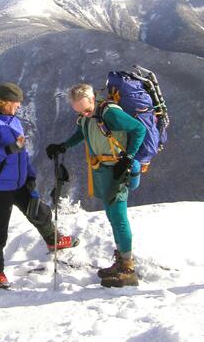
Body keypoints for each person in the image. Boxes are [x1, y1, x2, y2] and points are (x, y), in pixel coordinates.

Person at [0, 82, 77, 289]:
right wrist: (8, 149)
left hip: (19, 182)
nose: (19, 106)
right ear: (2, 102)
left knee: (39, 211)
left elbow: (21, 153)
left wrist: (30, 176)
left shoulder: (14, 121)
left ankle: (53, 240)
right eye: (15, 103)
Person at [46, 83, 146, 288]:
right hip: (103, 170)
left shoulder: (110, 114)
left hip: (118, 169)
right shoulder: (87, 117)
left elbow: (139, 129)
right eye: (79, 111)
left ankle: (128, 269)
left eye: (86, 109)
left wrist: (127, 158)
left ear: (93, 99)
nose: (84, 113)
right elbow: (82, 132)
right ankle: (121, 260)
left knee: (118, 216)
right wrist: (63, 146)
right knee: (111, 214)